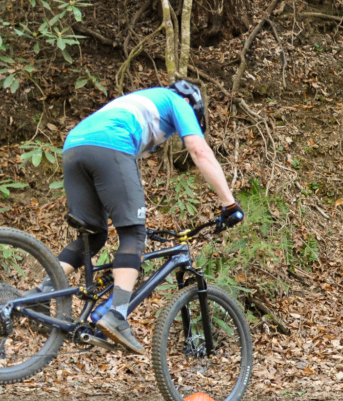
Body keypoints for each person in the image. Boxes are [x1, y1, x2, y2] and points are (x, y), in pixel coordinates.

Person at [55, 80, 244, 354]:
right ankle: (117, 315)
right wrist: (229, 204)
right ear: (193, 104)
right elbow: (199, 150)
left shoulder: (140, 103)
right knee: (133, 236)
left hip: (74, 146)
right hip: (109, 144)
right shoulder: (178, 102)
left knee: (94, 236)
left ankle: (40, 293)